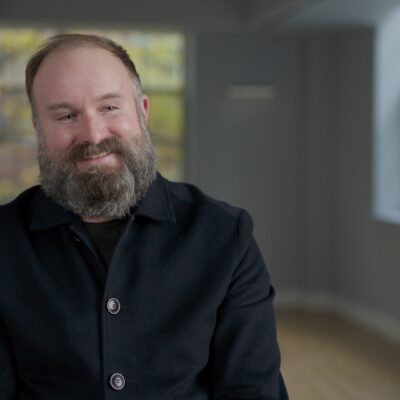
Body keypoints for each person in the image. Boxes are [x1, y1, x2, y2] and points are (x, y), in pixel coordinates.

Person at [0, 33, 288, 399]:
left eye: (109, 107)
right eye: (67, 115)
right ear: (39, 129)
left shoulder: (225, 234)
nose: (93, 134)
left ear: (142, 112)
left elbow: (252, 390)